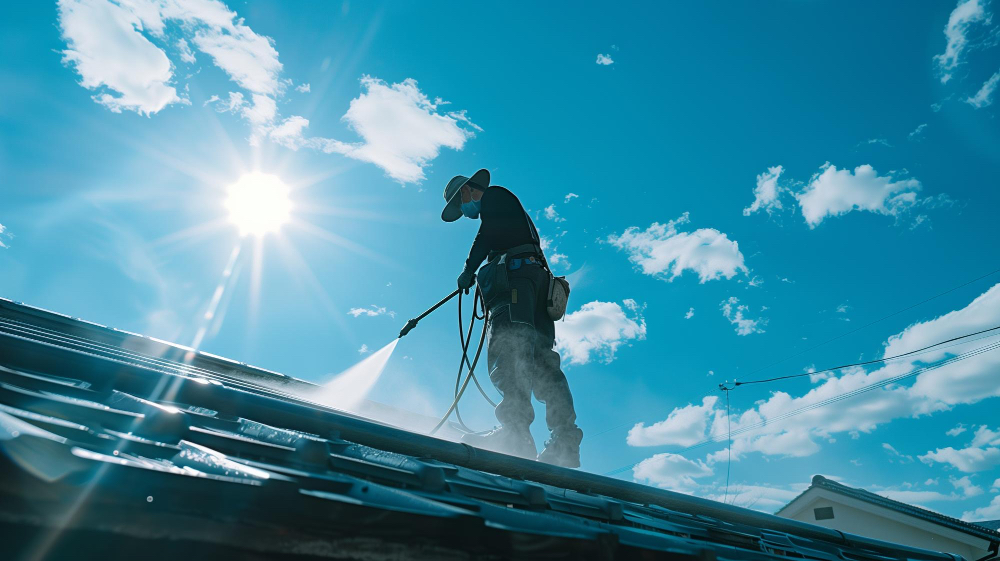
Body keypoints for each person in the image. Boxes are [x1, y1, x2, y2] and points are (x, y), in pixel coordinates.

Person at [441, 168, 583, 468]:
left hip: (516, 282)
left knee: (510, 350)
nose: (465, 214)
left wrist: (469, 268)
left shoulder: (495, 197)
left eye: (460, 206)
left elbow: (485, 234)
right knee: (542, 360)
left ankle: (515, 434)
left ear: (467, 191)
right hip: (535, 284)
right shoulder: (512, 218)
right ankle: (565, 441)